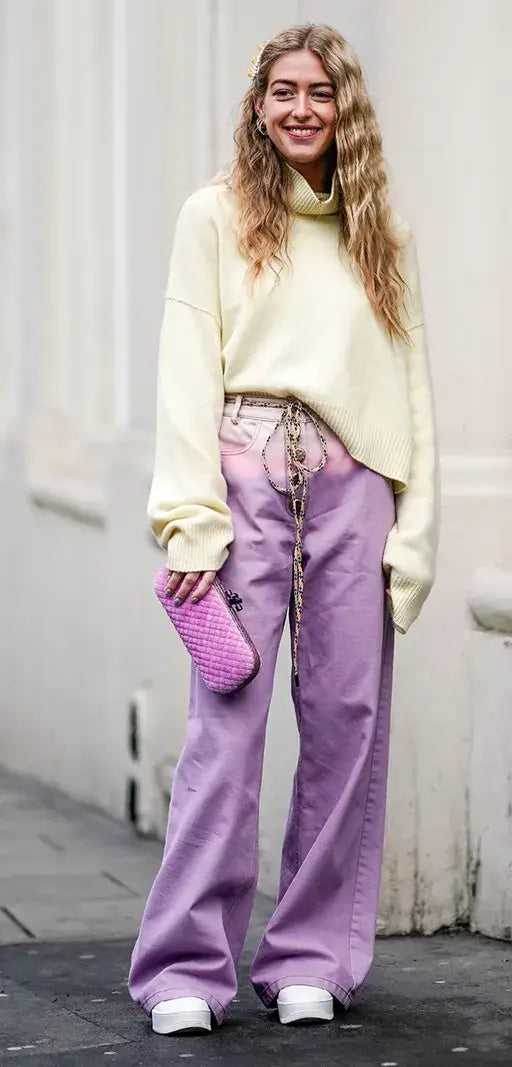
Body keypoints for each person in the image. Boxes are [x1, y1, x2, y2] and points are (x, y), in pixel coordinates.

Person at [128, 22, 440, 1036]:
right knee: (228, 728)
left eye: (320, 92)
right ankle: (184, 964)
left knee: (346, 724)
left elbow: (409, 388)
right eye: (282, 90)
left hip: (355, 491)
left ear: (344, 108)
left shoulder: (374, 232)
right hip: (243, 482)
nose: (300, 107)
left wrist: (415, 531)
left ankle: (309, 954)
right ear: (256, 105)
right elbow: (185, 368)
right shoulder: (213, 215)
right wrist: (188, 522)